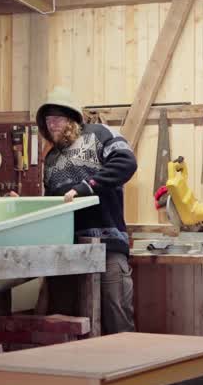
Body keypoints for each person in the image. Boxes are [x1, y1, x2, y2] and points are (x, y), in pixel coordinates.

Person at [9, 87, 138, 335]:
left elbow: (126, 162)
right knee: (64, 318)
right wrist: (25, 203)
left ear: (72, 118)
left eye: (56, 119)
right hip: (68, 250)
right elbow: (55, 203)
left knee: (116, 313)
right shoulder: (51, 159)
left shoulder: (99, 135)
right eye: (47, 121)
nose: (51, 125)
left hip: (107, 245)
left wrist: (86, 187)